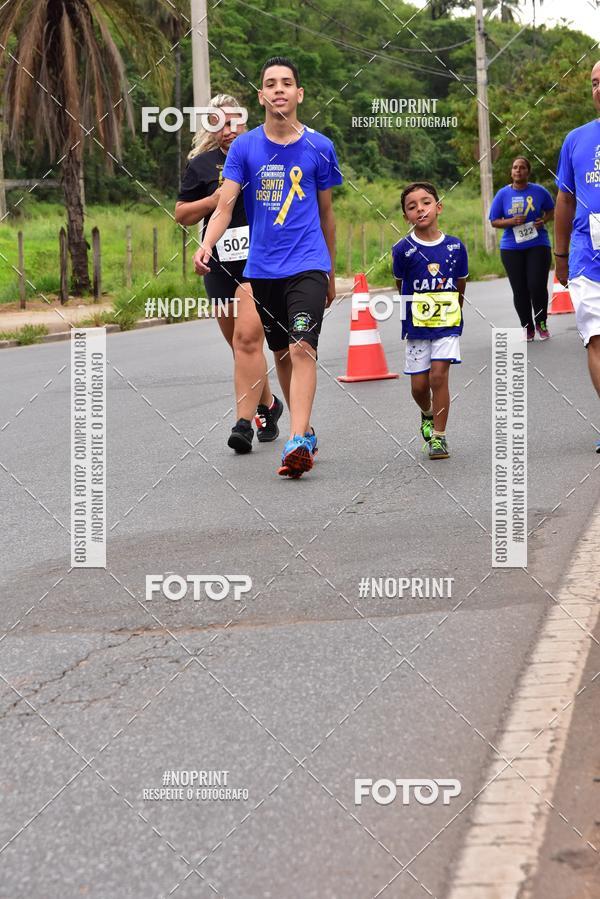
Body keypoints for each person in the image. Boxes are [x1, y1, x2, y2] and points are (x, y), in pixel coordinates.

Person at [194, 58, 342, 478]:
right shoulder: (244, 148)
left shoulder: (320, 146)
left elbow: (327, 216)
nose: (279, 90)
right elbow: (224, 206)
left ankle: (296, 442)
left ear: (299, 94)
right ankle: (306, 430)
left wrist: (330, 272)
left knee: (302, 347)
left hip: (308, 263)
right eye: (270, 84)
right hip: (262, 270)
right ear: (261, 96)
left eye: (287, 83)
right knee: (280, 350)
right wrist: (206, 244)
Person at [175, 93, 283, 454]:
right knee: (240, 348)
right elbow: (182, 215)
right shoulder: (201, 166)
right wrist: (216, 198)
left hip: (258, 264)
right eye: (219, 123)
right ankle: (268, 405)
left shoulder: (262, 154)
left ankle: (243, 424)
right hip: (219, 264)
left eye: (234, 121)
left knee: (248, 341)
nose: (228, 130)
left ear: (246, 121)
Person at [392, 182, 468, 460]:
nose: (420, 209)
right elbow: (400, 285)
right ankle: (427, 412)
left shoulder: (455, 247)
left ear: (438, 207)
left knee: (439, 376)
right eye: (412, 207)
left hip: (447, 325)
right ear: (406, 216)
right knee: (419, 386)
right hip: (416, 327)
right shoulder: (402, 249)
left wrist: (455, 312)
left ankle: (439, 437)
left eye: (425, 202)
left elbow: (460, 283)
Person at [555, 60, 600, 452]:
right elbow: (565, 199)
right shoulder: (576, 139)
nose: (598, 89)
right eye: (594, 83)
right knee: (596, 339)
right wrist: (561, 254)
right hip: (589, 257)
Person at [489, 156, 555, 342]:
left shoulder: (539, 191)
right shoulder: (503, 194)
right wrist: (510, 221)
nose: (518, 170)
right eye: (515, 167)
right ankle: (527, 327)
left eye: (522, 167)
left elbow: (551, 210)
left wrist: (545, 220)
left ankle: (541, 322)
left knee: (536, 286)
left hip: (538, 244)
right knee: (520, 290)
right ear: (511, 172)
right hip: (511, 248)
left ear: (528, 171)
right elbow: (494, 220)